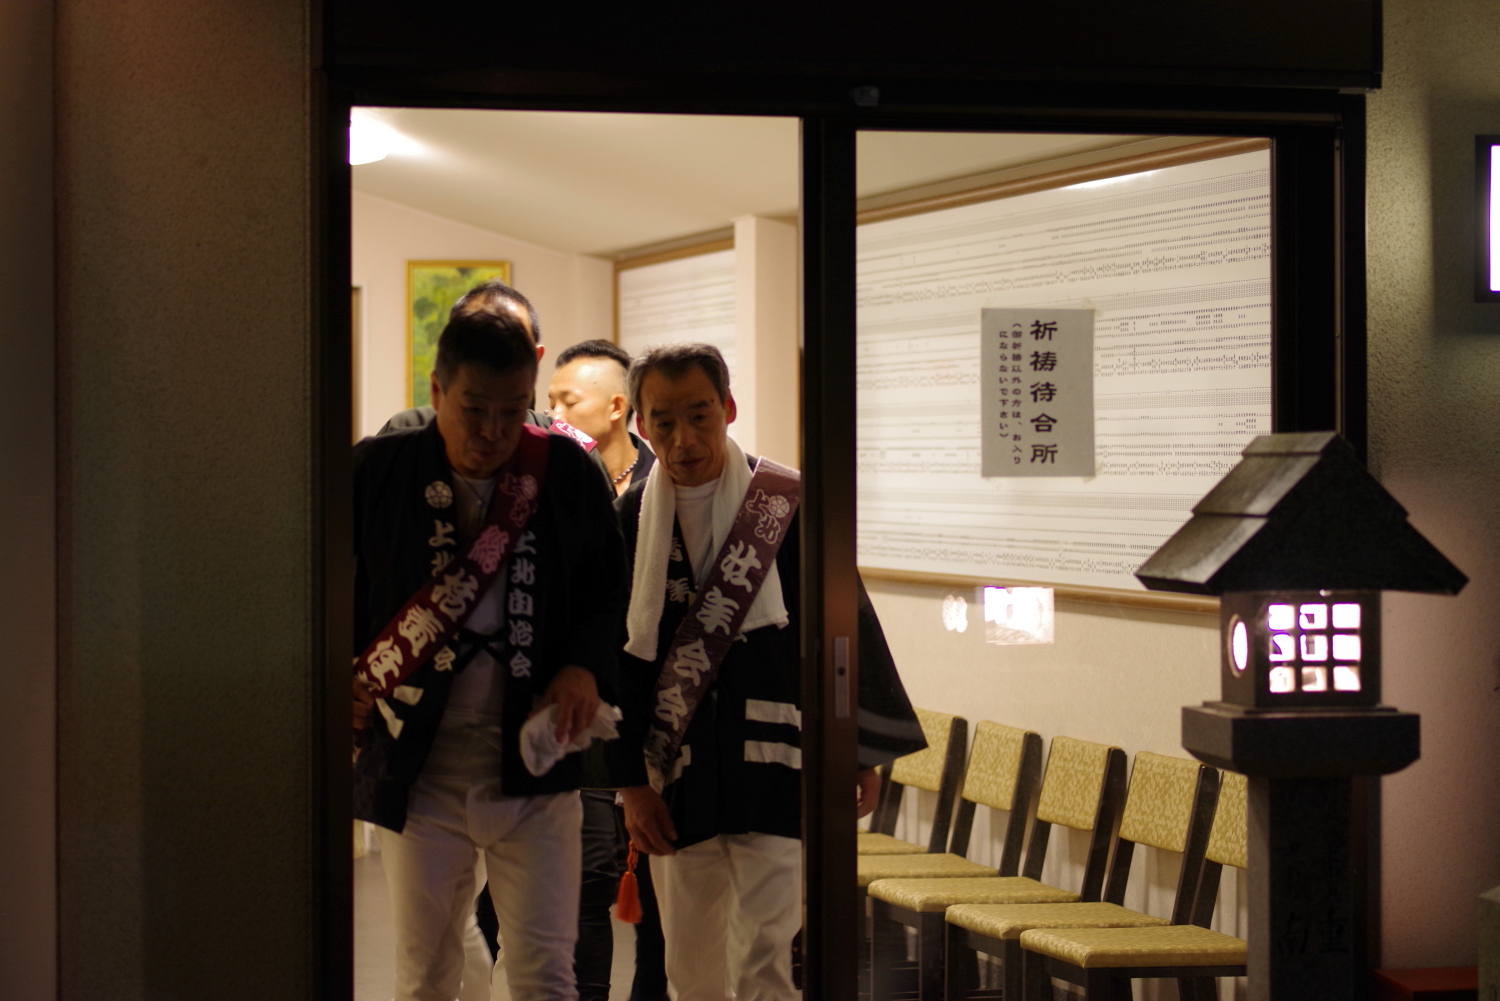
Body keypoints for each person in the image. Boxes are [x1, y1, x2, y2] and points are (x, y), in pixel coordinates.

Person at [610, 343, 926, 1001]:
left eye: (699, 415)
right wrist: (631, 786)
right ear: (641, 424)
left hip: (777, 764)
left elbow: (844, 629)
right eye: (663, 421)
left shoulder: (785, 503)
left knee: (765, 958)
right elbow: (614, 659)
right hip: (676, 774)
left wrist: (857, 753)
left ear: (728, 408)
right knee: (690, 969)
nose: (683, 438)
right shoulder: (630, 518)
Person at [353, 307, 628, 1001]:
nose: (492, 432)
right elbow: (328, 588)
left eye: (512, 411)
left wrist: (582, 666)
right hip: (420, 759)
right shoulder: (378, 470)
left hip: (536, 757)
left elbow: (606, 590)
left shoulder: (565, 471)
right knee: (426, 973)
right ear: (437, 390)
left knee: (545, 973)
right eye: (473, 410)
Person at [546, 338, 669, 1001]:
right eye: (550, 402)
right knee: (590, 873)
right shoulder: (554, 484)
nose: (554, 414)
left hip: (655, 715)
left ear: (618, 408)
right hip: (585, 713)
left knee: (653, 891)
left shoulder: (666, 487)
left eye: (568, 401)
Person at [547, 339, 656, 496]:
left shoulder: (661, 481)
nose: (556, 418)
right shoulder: (547, 480)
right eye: (552, 406)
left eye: (570, 403)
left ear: (616, 407)